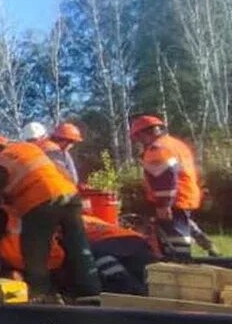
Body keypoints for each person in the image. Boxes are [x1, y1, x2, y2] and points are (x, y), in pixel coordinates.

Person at [0, 135, 100, 299]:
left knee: (35, 252)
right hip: (70, 195)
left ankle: (40, 295)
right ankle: (91, 292)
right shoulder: (29, 148)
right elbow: (62, 171)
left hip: (39, 201)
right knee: (79, 246)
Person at [129, 115, 218, 259]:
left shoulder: (157, 149)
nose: (139, 142)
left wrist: (164, 205)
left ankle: (181, 264)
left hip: (173, 199)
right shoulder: (175, 144)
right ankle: (207, 244)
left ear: (145, 133)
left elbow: (165, 177)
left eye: (138, 137)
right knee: (183, 221)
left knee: (176, 237)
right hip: (185, 194)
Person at [82, 214, 155, 293]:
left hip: (108, 243)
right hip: (136, 241)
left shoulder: (71, 222)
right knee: (148, 284)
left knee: (91, 256)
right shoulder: (90, 218)